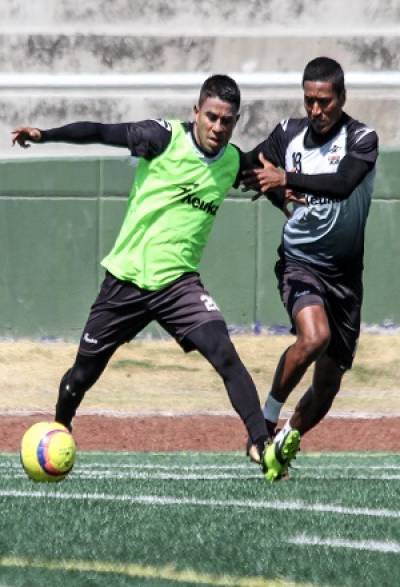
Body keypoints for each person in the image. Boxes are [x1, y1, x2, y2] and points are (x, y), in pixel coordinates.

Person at [12, 74, 270, 464]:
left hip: (178, 285)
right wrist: (45, 135)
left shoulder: (233, 160)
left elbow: (267, 181)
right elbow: (100, 131)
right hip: (126, 281)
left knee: (225, 354)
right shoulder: (161, 138)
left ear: (236, 122)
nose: (218, 127)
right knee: (81, 377)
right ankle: (58, 434)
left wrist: (292, 197)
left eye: (227, 120)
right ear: (196, 112)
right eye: (212, 117)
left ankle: (261, 444)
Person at [242, 57, 379, 481]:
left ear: (341, 98)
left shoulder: (362, 139)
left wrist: (287, 179)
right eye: (309, 101)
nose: (315, 111)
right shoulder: (289, 134)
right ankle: (263, 425)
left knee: (327, 387)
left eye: (324, 101)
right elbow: (251, 168)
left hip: (345, 278)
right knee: (314, 337)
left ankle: (284, 442)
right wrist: (276, 192)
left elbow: (342, 184)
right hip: (301, 262)